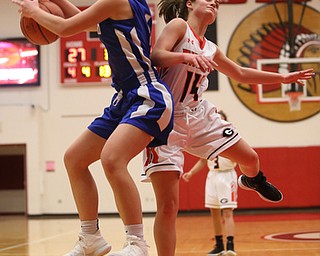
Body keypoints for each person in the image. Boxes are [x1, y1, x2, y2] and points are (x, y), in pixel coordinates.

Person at [141, 0, 314, 256]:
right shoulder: (179, 26)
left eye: (218, 2)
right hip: (166, 121)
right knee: (168, 206)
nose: (214, 2)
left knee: (250, 158)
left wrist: (282, 77)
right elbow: (156, 56)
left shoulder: (211, 48)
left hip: (199, 117)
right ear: (189, 3)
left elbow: (241, 74)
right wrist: (186, 56)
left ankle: (252, 180)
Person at [12, 0, 174, 255]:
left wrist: (33, 12)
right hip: (124, 98)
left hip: (147, 94)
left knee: (112, 159)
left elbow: (66, 28)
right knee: (74, 158)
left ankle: (137, 242)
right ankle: (90, 237)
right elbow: (82, 19)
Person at [182, 110, 238, 256]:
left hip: (227, 176)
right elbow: (202, 160)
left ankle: (230, 246)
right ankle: (219, 245)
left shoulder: (231, 137)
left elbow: (240, 157)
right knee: (214, 212)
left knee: (227, 211)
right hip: (212, 176)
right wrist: (191, 173)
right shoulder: (208, 139)